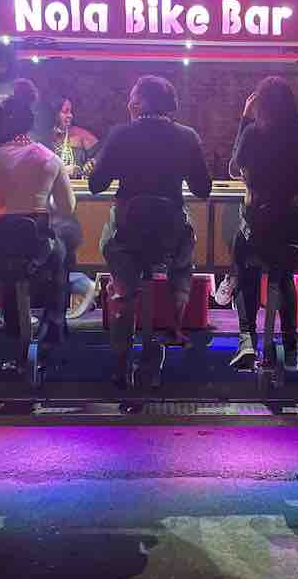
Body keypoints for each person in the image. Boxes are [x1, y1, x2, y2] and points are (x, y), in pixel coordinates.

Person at [89, 75, 212, 384]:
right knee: (185, 252)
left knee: (112, 242)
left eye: (133, 97)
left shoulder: (121, 135)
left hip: (127, 235)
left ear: (140, 102)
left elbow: (95, 185)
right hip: (169, 236)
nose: (129, 102)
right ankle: (172, 323)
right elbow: (203, 189)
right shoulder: (187, 136)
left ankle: (122, 315)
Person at [228, 76, 298, 372]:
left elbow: (235, 169)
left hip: (258, 226)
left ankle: (246, 338)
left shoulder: (253, 134)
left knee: (244, 269)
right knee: (283, 276)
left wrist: (244, 121)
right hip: (292, 230)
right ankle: (292, 347)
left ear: (260, 105)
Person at [0, 82, 76, 345]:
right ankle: (55, 321)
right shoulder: (49, 158)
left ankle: (11, 328)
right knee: (63, 249)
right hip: (38, 246)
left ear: (4, 127)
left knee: (0, 265)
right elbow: (67, 208)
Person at [33, 92, 101, 319]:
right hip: (49, 206)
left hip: (69, 206)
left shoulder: (81, 137)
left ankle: (78, 290)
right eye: (64, 110)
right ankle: (79, 288)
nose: (69, 115)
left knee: (55, 257)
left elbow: (102, 157)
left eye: (71, 110)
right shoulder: (40, 139)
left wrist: (90, 165)